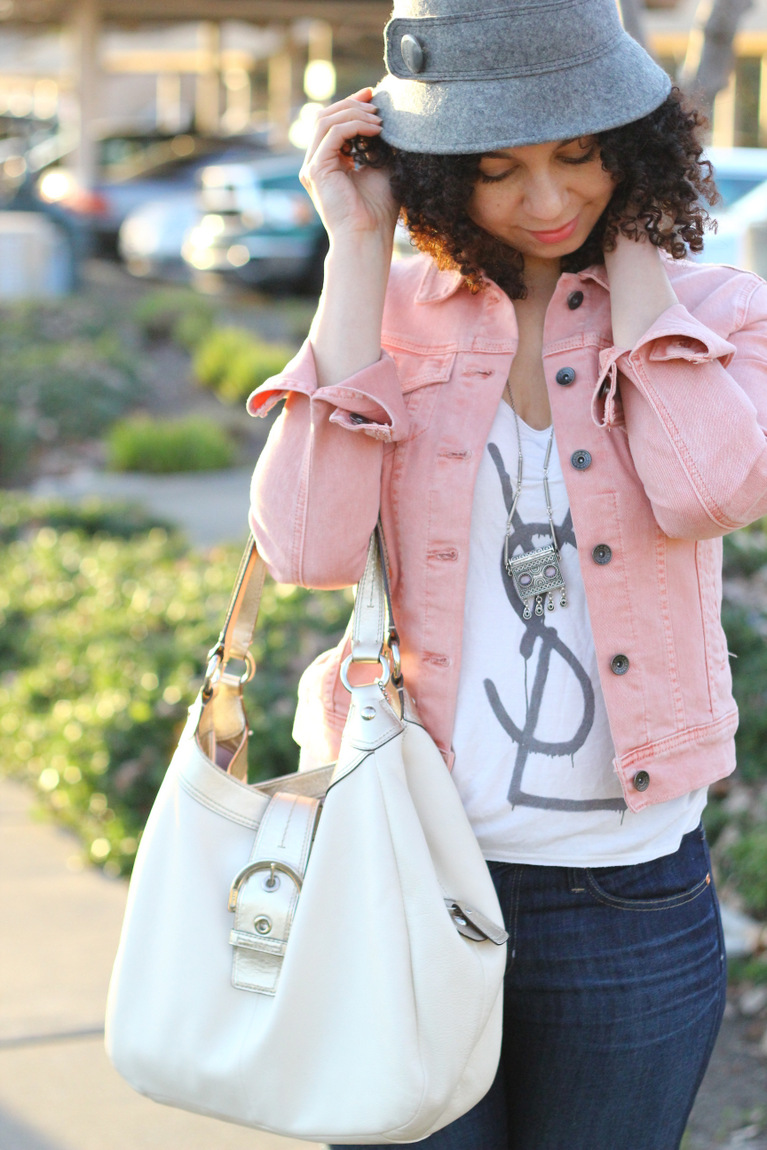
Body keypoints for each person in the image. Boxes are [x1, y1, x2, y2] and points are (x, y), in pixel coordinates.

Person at [248, 1, 767, 1146]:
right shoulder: (386, 318)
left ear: (631, 144)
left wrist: (637, 257)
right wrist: (356, 253)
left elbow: (706, 491)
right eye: (497, 169)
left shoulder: (718, 314)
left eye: (579, 155)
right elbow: (305, 550)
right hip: (401, 872)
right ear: (437, 174)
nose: (544, 201)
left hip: (623, 899)